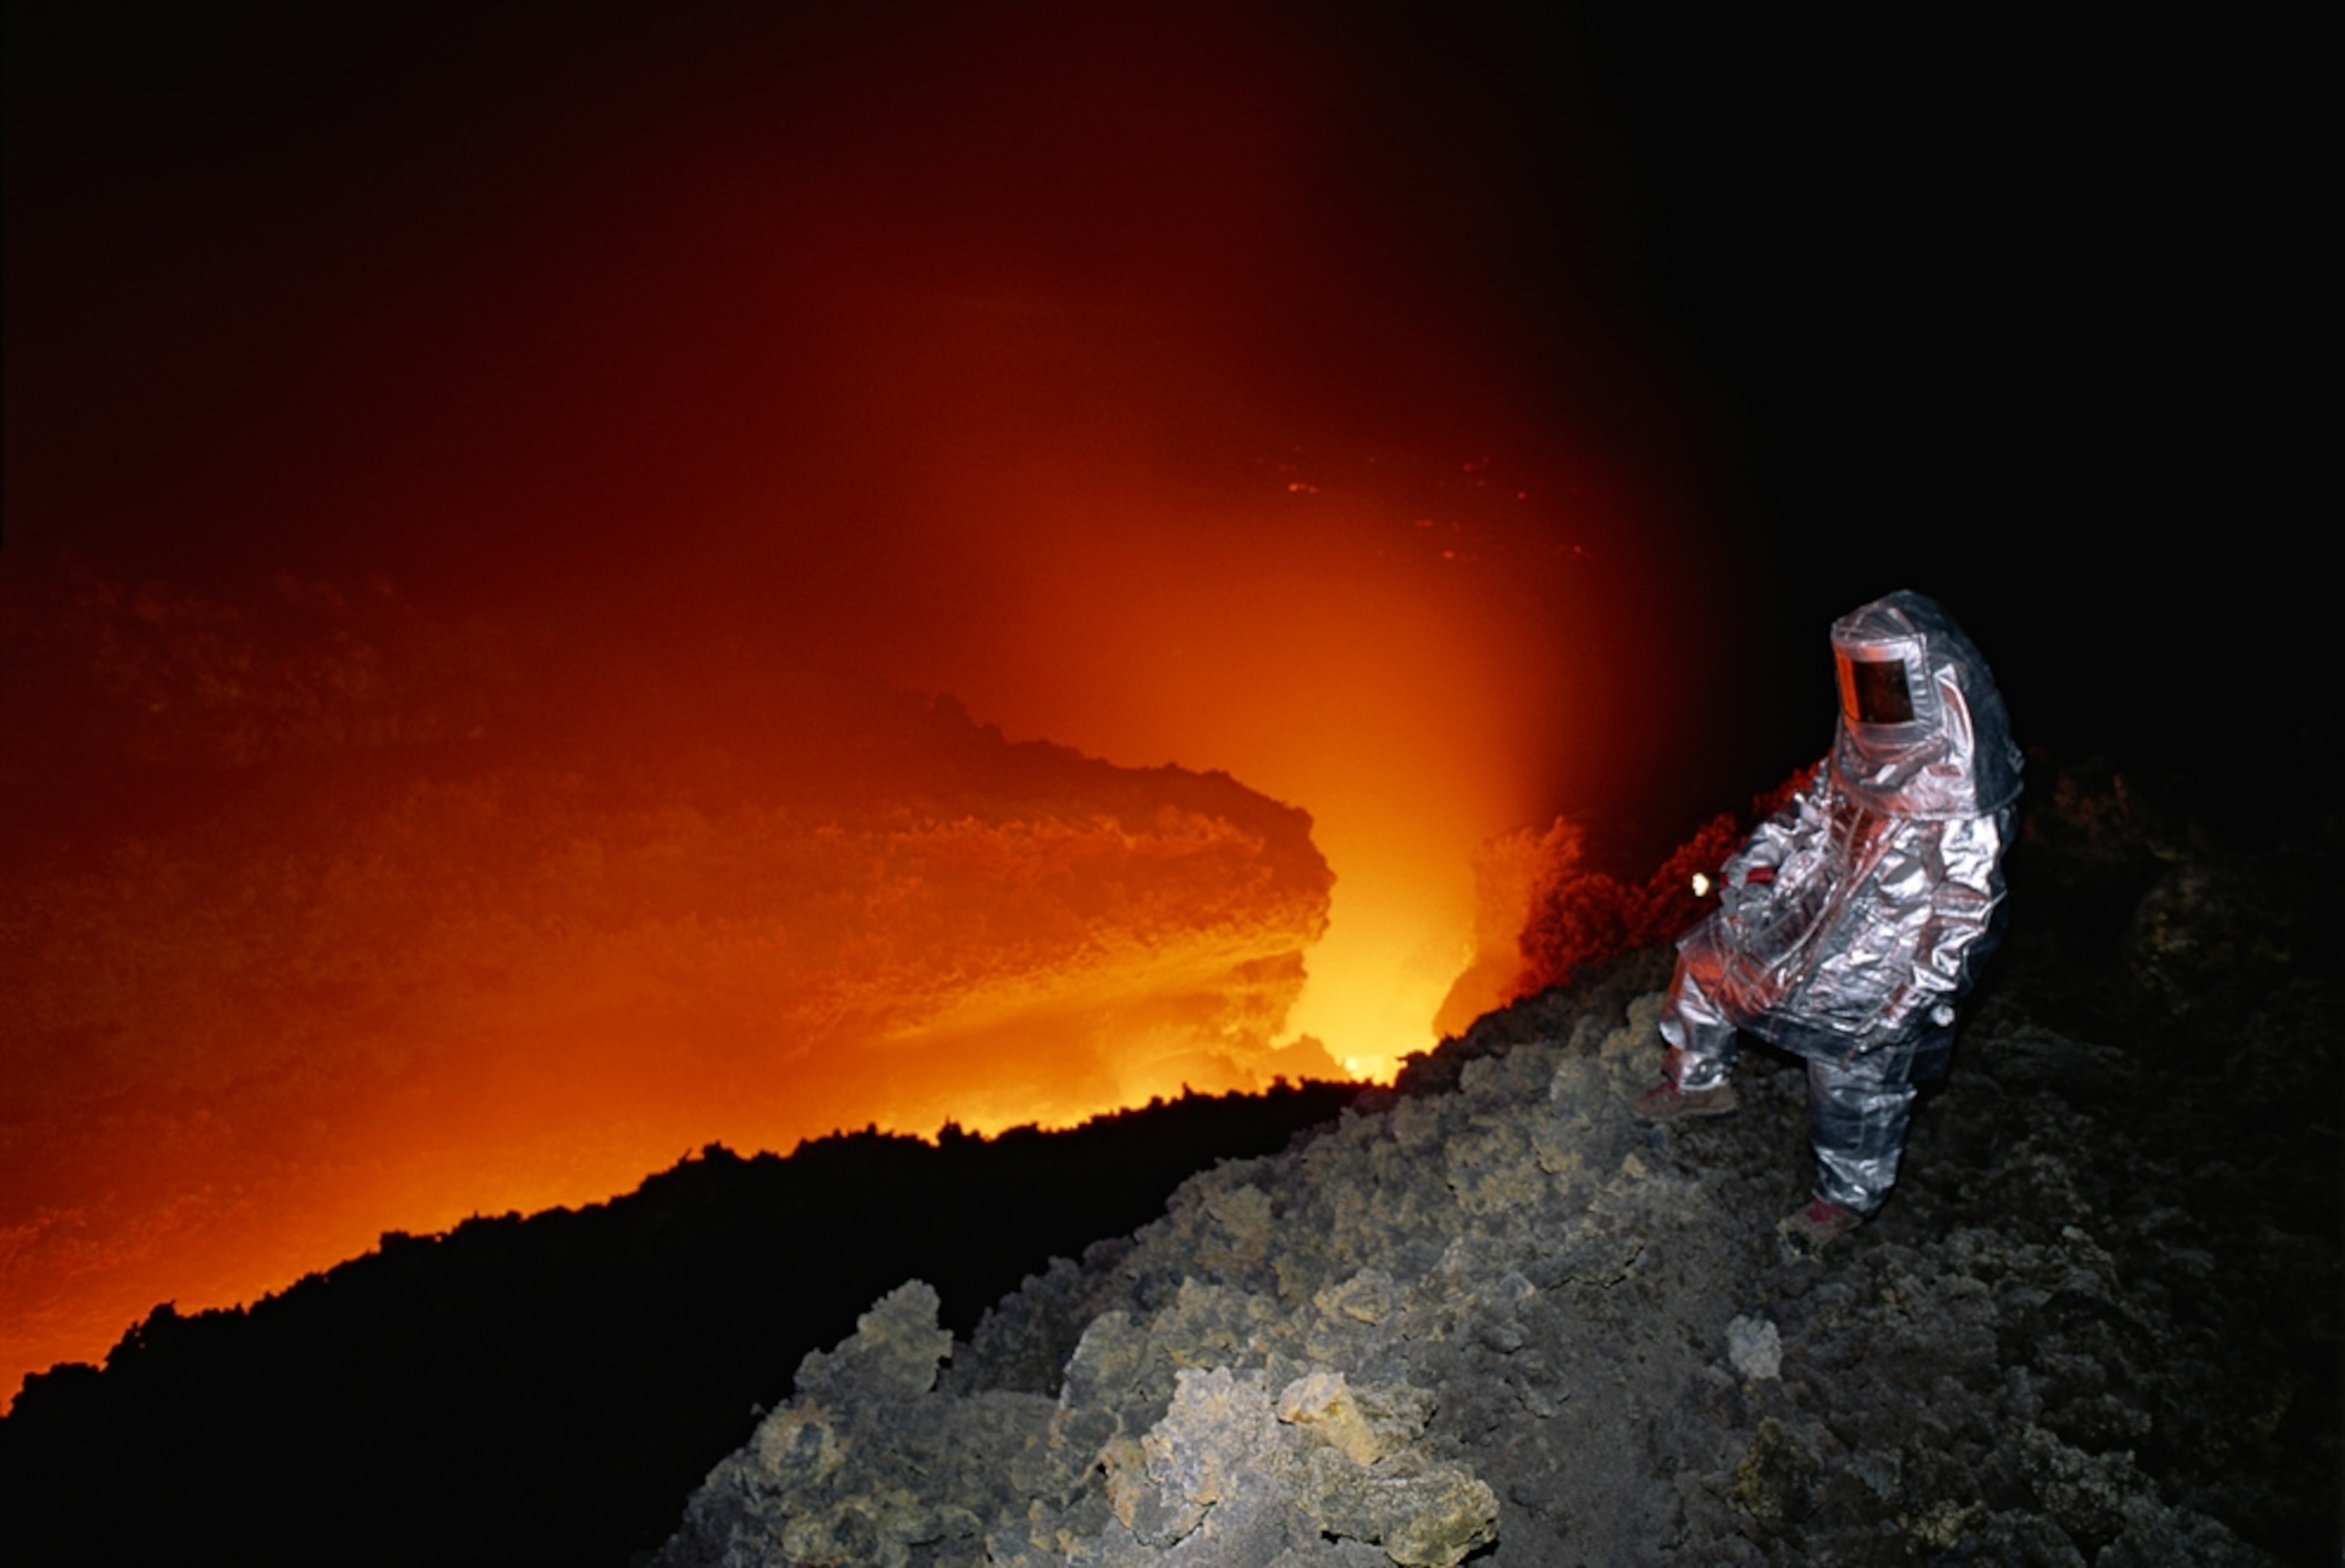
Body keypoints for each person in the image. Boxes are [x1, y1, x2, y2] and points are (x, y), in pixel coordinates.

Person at [1631, 589, 2021, 1247]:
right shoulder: (1861, 750)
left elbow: (1966, 914)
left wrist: (1909, 1002)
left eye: (1889, 682)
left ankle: (1844, 1200)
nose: (1876, 701)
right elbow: (1802, 816)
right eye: (1863, 681)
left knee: (1854, 1079)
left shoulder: (1962, 789)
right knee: (1707, 961)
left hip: (1885, 957)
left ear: (1935, 685)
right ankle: (1696, 1081)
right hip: (1808, 915)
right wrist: (1755, 873)